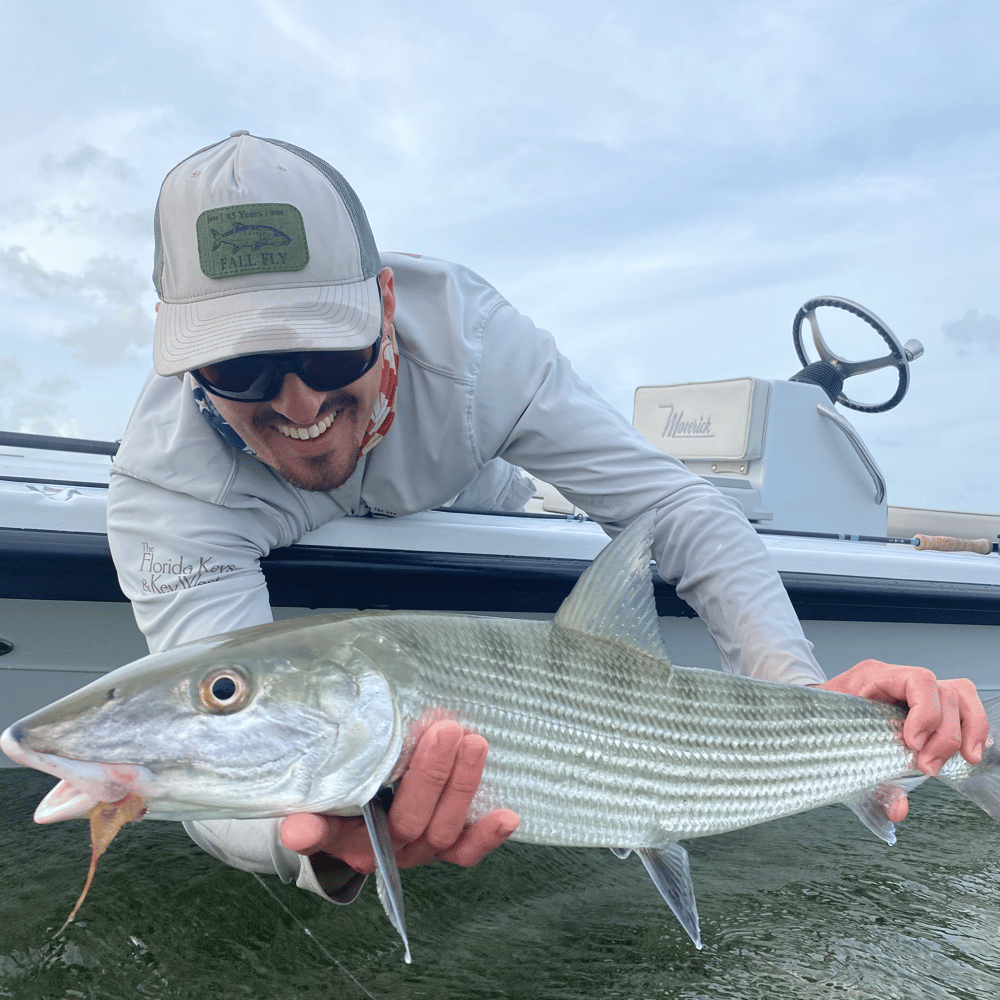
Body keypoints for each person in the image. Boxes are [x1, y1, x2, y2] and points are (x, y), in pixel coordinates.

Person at [107, 131, 988, 904]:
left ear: (383, 304)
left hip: (482, 502)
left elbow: (677, 506)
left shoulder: (476, 345)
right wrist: (312, 842)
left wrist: (799, 702)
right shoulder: (164, 488)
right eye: (239, 369)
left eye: (326, 346)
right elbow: (195, 753)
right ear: (179, 352)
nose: (297, 398)